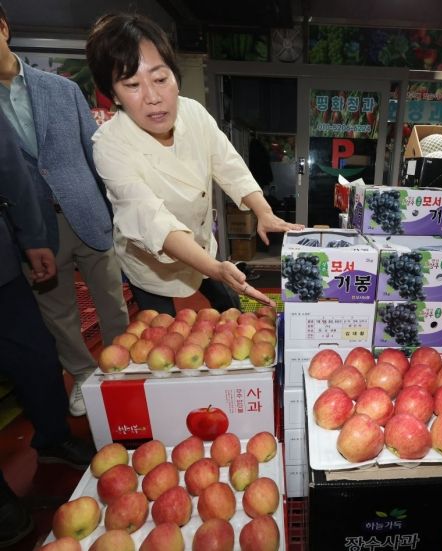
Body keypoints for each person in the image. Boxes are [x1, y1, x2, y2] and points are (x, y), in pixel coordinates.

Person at [85, 13, 302, 316]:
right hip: (151, 264)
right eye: (132, 84)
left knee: (231, 308)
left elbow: (227, 162)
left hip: (200, 246)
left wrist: (262, 211)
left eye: (161, 79)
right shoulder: (109, 145)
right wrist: (215, 268)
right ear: (114, 96)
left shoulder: (193, 113)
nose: (153, 97)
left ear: (175, 76)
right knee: (162, 334)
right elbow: (151, 220)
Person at [0, 3, 130, 417]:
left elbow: (98, 152)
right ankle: (84, 377)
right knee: (58, 312)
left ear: (3, 27)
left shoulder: (61, 89)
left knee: (112, 301)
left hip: (87, 213)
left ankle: (124, 368)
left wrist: (114, 211)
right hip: (30, 226)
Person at [0, 109, 96, 548]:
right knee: (53, 324)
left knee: (35, 353)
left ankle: (54, 434)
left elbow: (9, 166)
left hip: (7, 258)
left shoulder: (59, 92)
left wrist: (30, 234)